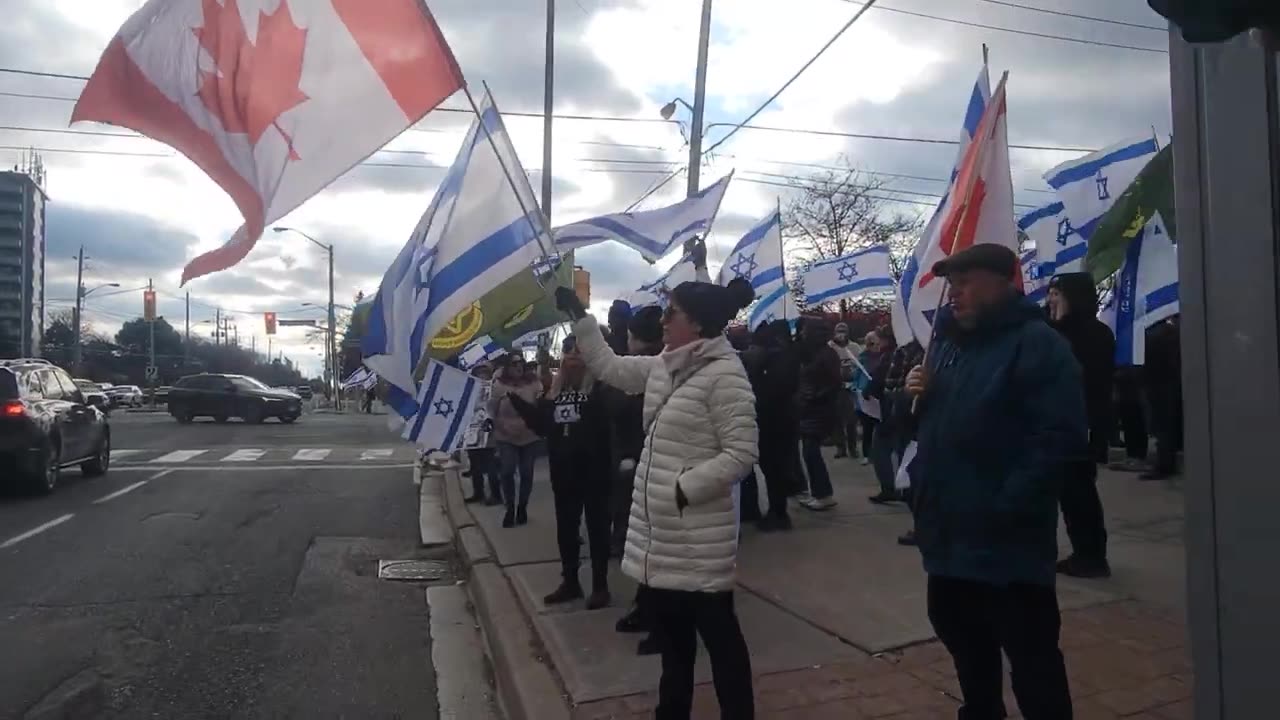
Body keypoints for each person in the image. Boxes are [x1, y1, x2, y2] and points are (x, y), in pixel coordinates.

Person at [555, 277, 758, 720]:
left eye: (672, 313)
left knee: (722, 645)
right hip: (664, 539)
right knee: (674, 647)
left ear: (698, 324)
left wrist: (682, 489)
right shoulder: (667, 364)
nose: (663, 320)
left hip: (701, 541)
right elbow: (611, 367)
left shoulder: (725, 376)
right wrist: (580, 319)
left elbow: (741, 455)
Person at [905, 244, 1085, 719]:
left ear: (1003, 282)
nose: (953, 294)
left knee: (1032, 658)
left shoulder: (1038, 345)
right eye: (950, 283)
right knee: (963, 641)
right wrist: (915, 397)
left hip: (1007, 544)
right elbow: (932, 428)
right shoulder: (944, 344)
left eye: (964, 282)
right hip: (947, 533)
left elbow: (1057, 440)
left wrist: (1003, 507)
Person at [508, 336, 614, 609]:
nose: (572, 355)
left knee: (598, 527)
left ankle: (600, 586)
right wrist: (521, 403)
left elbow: (608, 423)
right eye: (568, 350)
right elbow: (543, 426)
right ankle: (570, 581)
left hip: (596, 470)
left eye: (579, 350)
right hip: (563, 470)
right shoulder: (556, 390)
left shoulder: (602, 386)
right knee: (567, 528)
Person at [1047, 272, 1115, 579]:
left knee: (1079, 492)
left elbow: (1088, 379)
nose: (1051, 300)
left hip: (1082, 423)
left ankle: (1091, 556)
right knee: (1068, 491)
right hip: (1060, 422)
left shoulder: (1095, 333)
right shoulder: (1055, 329)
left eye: (1057, 294)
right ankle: (1083, 552)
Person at [741, 319, 801, 531]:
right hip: (774, 420)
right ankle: (760, 510)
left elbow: (775, 390)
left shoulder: (780, 359)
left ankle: (778, 513)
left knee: (774, 469)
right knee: (768, 468)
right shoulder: (783, 356)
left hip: (774, 421)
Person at [871, 336, 924, 544]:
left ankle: (921, 525)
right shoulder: (905, 349)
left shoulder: (913, 351)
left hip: (909, 420)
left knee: (910, 471)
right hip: (905, 416)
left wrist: (903, 396)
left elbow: (892, 385)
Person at [488, 355, 543, 528]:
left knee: (527, 473)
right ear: (507, 367)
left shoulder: (534, 383)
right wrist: (494, 424)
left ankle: (522, 507)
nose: (518, 367)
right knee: (507, 471)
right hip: (506, 435)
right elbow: (491, 409)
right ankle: (510, 507)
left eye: (521, 363)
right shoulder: (499, 386)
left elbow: (540, 406)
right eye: (514, 364)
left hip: (529, 435)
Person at [797, 318, 843, 511]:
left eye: (806, 331)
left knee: (811, 451)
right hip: (813, 408)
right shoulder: (817, 353)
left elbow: (834, 382)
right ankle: (820, 492)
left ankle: (823, 493)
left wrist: (813, 397)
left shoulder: (826, 354)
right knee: (809, 451)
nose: (802, 334)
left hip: (819, 409)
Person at [1141, 318, 1182, 480]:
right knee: (1165, 425)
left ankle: (1164, 464)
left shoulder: (1156, 333)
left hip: (1159, 383)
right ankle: (1165, 461)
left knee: (1162, 426)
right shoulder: (1169, 331)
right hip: (1166, 382)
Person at [464, 361, 503, 506]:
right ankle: (478, 492)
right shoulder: (469, 391)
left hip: (489, 432)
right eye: (479, 373)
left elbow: (496, 409)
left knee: (490, 465)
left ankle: (496, 494)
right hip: (473, 432)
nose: (481, 375)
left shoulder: (494, 389)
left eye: (484, 373)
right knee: (475, 465)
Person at [829, 322, 863, 459]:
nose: (841, 334)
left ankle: (852, 447)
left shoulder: (854, 347)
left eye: (844, 331)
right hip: (835, 387)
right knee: (837, 419)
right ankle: (840, 447)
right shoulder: (830, 347)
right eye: (839, 331)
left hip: (851, 388)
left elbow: (860, 365)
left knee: (851, 420)